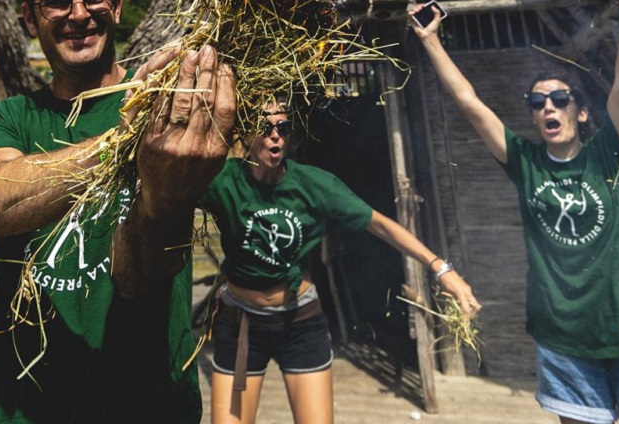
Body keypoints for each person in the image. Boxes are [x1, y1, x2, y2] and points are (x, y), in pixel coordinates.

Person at [0, 0, 236, 423]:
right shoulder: (7, 118)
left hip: (144, 402)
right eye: (57, 2)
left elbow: (140, 276)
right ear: (28, 18)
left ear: (116, 2)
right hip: (19, 407)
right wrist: (121, 140)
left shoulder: (172, 110)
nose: (79, 14)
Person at [410, 0, 619, 424]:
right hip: (565, 338)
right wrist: (430, 41)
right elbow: (470, 104)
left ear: (581, 112)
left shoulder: (610, 155)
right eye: (537, 102)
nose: (548, 107)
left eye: (560, 99)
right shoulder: (526, 162)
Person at [201, 106, 480, 424]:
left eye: (284, 127)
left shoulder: (314, 185)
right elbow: (168, 196)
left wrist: (442, 269)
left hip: (300, 323)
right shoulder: (222, 180)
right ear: (246, 133)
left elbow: (379, 224)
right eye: (264, 127)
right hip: (241, 324)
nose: (275, 135)